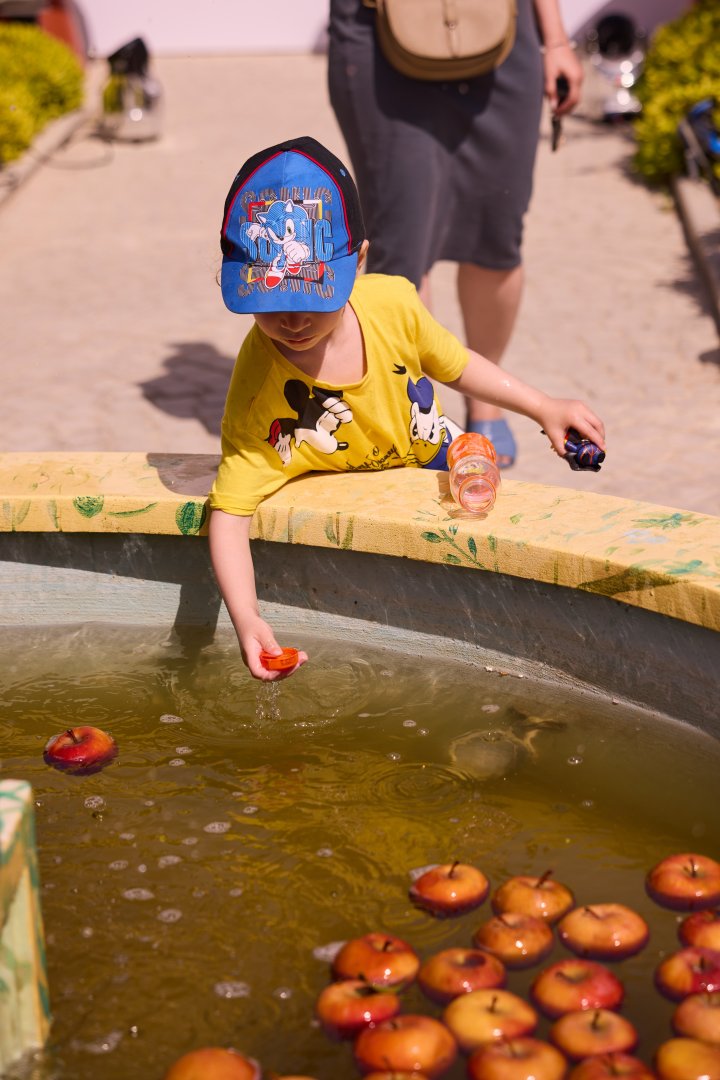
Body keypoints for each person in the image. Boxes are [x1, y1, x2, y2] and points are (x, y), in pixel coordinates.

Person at [208, 136, 604, 681]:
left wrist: (542, 406)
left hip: (433, 458)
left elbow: (457, 364)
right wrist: (247, 617)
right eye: (270, 302)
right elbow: (229, 513)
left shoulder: (393, 304)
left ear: (359, 262)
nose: (292, 320)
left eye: (311, 297)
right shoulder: (257, 389)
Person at [327, 0, 584, 467]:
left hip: (501, 29)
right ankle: (429, 415)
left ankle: (486, 402)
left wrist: (556, 41)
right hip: (380, 33)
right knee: (402, 245)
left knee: (495, 233)